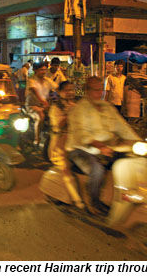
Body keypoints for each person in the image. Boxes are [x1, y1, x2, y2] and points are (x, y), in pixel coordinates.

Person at [66, 76, 142, 215]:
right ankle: (93, 201)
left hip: (107, 149)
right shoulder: (79, 109)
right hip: (80, 149)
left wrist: (138, 141)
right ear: (87, 90)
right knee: (97, 170)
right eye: (95, 90)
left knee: (132, 160)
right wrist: (101, 147)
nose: (99, 93)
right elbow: (82, 135)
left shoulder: (108, 107)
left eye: (101, 89)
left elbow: (123, 128)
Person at [48, 81, 84, 209]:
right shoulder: (56, 107)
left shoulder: (77, 104)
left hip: (77, 140)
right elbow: (58, 126)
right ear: (60, 92)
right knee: (66, 167)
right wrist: (70, 113)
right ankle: (77, 200)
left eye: (72, 89)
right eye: (67, 90)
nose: (70, 92)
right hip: (60, 142)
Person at [25, 62, 58, 146]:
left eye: (44, 70)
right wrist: (44, 102)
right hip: (33, 105)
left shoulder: (47, 80)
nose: (43, 72)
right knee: (41, 116)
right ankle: (37, 139)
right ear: (35, 70)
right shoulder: (31, 80)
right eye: (41, 70)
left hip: (45, 106)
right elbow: (35, 92)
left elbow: (57, 88)